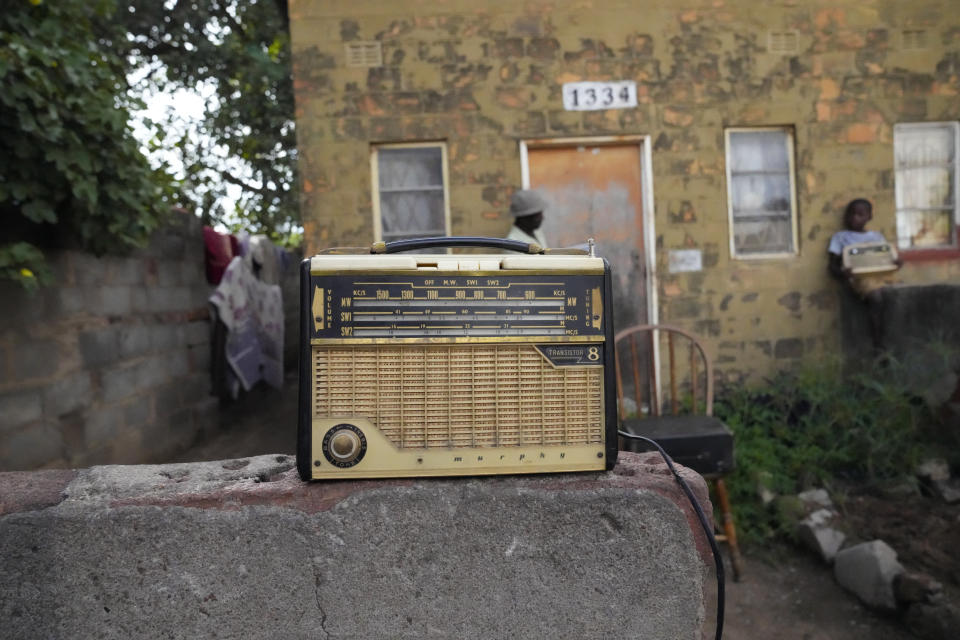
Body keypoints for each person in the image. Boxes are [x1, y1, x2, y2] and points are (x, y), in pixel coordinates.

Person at [827, 198, 903, 348]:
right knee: (876, 297)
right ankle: (878, 342)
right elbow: (831, 266)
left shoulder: (877, 237)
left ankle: (896, 337)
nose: (854, 217)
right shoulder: (841, 237)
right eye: (851, 214)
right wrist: (844, 273)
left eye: (860, 214)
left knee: (897, 294)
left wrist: (897, 264)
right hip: (859, 277)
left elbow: (887, 258)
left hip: (882, 275)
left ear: (869, 217)